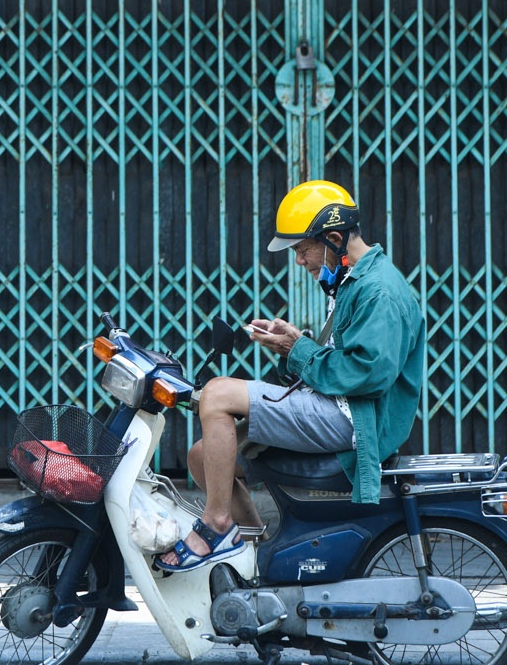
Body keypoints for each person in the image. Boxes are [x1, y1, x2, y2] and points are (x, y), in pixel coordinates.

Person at [157, 180, 426, 574]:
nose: (299, 261)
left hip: (355, 420)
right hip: (340, 408)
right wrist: (295, 343)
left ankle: (216, 524)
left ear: (333, 238)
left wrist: (297, 350)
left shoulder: (378, 292)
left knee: (216, 394)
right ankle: (256, 555)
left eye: (302, 249)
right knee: (203, 456)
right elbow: (340, 359)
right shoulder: (354, 282)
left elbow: (365, 374)